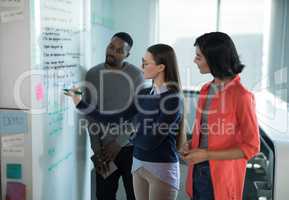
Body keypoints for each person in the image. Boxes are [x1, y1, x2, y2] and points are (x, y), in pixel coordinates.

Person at [65, 44, 186, 200]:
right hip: (139, 165)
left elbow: (151, 141)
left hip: (160, 167)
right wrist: (79, 102)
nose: (141, 66)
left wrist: (131, 137)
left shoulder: (172, 99)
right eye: (142, 61)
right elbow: (115, 117)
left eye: (146, 63)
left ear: (161, 67)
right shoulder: (144, 93)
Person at [181, 32, 260, 200]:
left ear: (214, 59)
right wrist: (190, 144)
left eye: (199, 57)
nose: (195, 61)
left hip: (221, 177)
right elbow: (207, 133)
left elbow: (252, 147)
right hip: (198, 170)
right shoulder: (205, 90)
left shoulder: (242, 96)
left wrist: (206, 155)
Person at [81, 32, 144, 200]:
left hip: (130, 148)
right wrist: (96, 146)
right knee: (104, 195)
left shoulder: (136, 75)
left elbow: (138, 113)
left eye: (118, 50)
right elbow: (89, 113)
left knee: (135, 195)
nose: (112, 52)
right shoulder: (93, 74)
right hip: (103, 150)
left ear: (127, 54)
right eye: (111, 47)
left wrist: (119, 143)